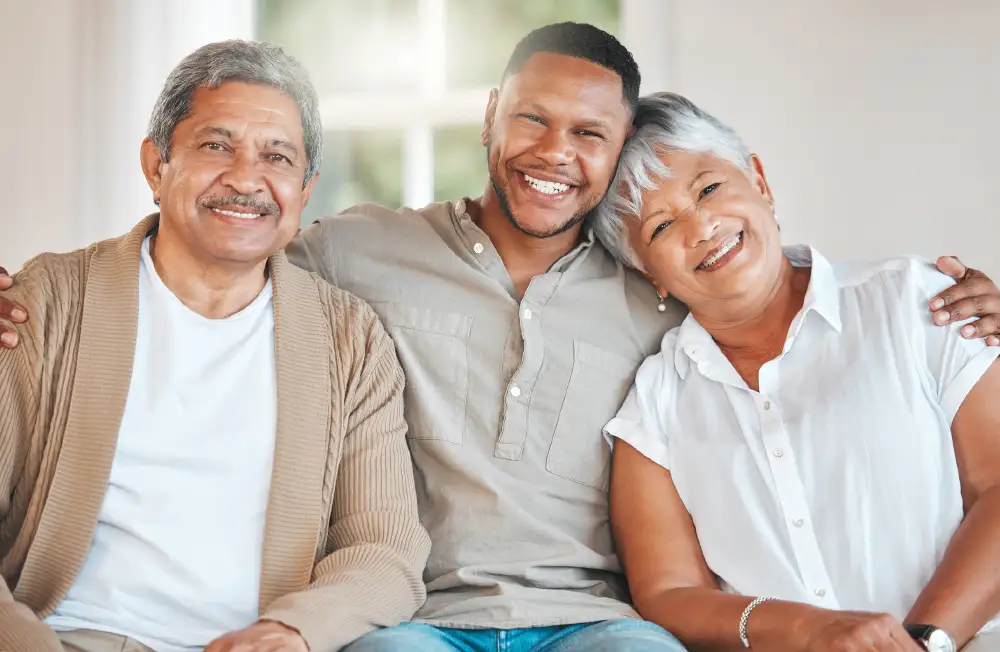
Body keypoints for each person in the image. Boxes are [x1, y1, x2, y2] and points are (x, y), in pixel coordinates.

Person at [2, 22, 999, 652]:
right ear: (490, 118)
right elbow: (219, 244)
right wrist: (22, 290)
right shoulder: (357, 255)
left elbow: (749, 268)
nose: (553, 154)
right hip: (420, 617)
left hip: (599, 618)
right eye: (530, 119)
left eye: (589, 135)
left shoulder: (653, 281)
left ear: (612, 159)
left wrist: (967, 310)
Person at [0, 41, 429, 652]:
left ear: (305, 190)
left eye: (277, 156)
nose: (246, 178)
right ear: (156, 166)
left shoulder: (350, 341)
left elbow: (385, 547)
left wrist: (291, 632)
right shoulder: (47, 302)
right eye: (216, 145)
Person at [599, 92, 1000, 652]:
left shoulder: (919, 301)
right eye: (662, 227)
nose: (703, 226)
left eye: (710, 189)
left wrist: (922, 642)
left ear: (759, 181)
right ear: (649, 274)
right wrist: (804, 630)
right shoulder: (654, 403)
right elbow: (668, 591)